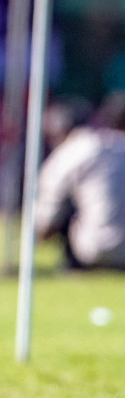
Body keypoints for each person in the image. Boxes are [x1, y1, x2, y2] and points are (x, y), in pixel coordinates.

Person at [34, 93, 125, 270]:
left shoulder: (76, 149)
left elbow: (47, 218)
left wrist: (38, 235)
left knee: (69, 199)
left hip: (91, 251)